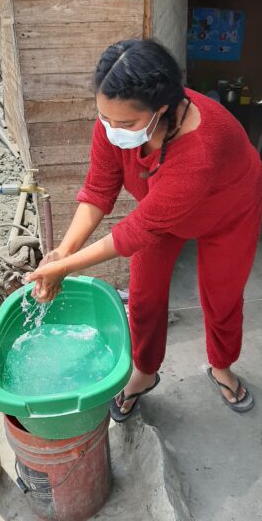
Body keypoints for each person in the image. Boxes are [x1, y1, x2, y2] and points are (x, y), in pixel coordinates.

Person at [27, 39, 262, 420]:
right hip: (163, 211)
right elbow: (100, 190)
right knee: (142, 295)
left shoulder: (199, 151)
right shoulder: (114, 120)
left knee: (221, 296)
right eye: (105, 118)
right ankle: (145, 371)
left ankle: (222, 365)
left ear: (162, 109)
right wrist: (63, 253)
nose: (112, 129)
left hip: (228, 209)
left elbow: (135, 232)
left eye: (125, 123)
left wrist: (64, 270)